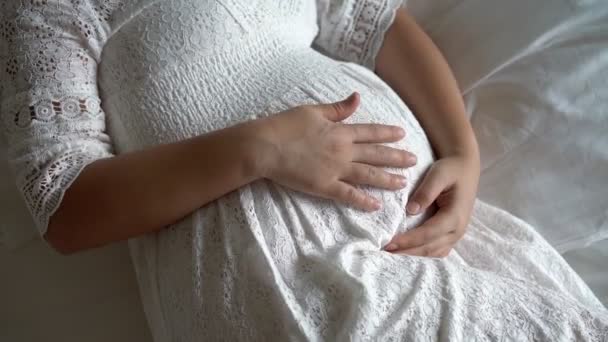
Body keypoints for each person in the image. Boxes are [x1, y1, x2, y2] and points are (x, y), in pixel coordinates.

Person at [1, 0, 606, 340]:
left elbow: (377, 24)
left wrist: (463, 152)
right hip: (277, 274)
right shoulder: (48, 8)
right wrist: (263, 149)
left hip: (428, 241)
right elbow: (64, 204)